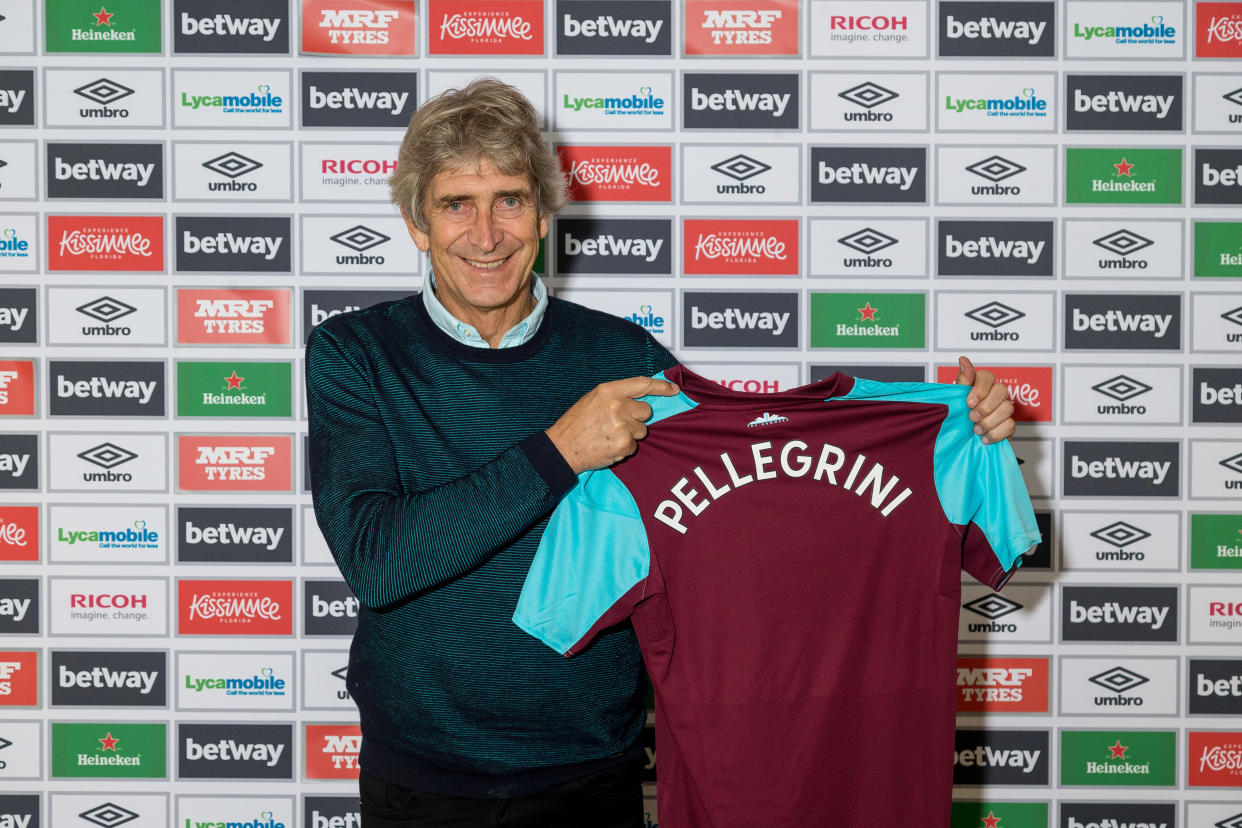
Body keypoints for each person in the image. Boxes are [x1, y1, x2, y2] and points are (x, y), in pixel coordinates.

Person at [305, 77, 1016, 828]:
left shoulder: (622, 355)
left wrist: (963, 433)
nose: (487, 234)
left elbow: (746, 507)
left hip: (594, 779)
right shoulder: (355, 354)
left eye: (510, 200)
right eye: (457, 205)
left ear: (545, 212)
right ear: (418, 224)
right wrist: (558, 451)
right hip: (422, 783)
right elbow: (378, 561)